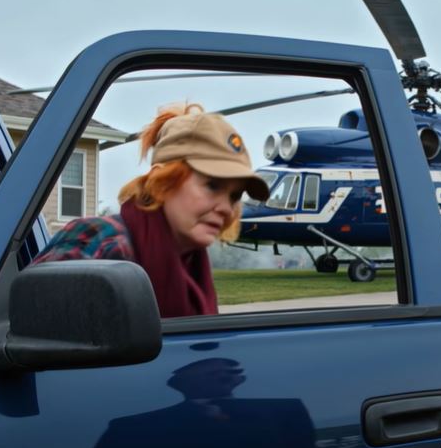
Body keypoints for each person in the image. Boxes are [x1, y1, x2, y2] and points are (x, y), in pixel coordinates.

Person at [31, 103, 269, 318]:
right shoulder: (99, 239)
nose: (227, 208)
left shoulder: (193, 267)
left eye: (235, 196)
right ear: (161, 181)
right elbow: (27, 333)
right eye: (212, 185)